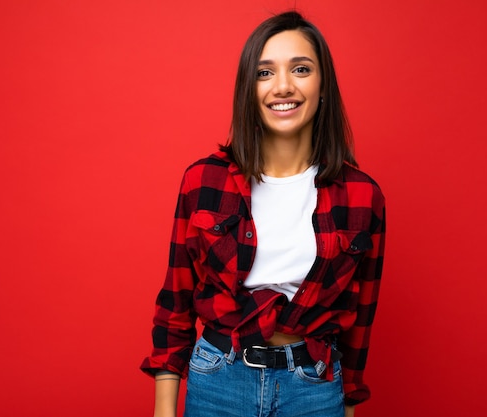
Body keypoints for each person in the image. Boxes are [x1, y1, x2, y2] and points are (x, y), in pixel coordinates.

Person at [141, 11, 386, 417]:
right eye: (265, 73)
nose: (284, 86)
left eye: (301, 69)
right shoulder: (203, 181)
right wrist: (164, 411)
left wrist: (348, 405)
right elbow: (175, 299)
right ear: (248, 89)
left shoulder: (362, 195)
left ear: (323, 84)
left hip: (313, 387)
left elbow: (361, 321)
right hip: (218, 378)